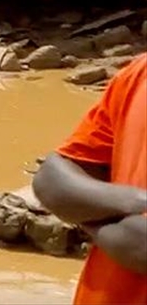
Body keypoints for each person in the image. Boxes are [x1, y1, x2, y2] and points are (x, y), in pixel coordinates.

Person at [33, 53, 147, 305]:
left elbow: (141, 246)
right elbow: (51, 180)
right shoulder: (138, 75)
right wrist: (134, 201)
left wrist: (90, 214)